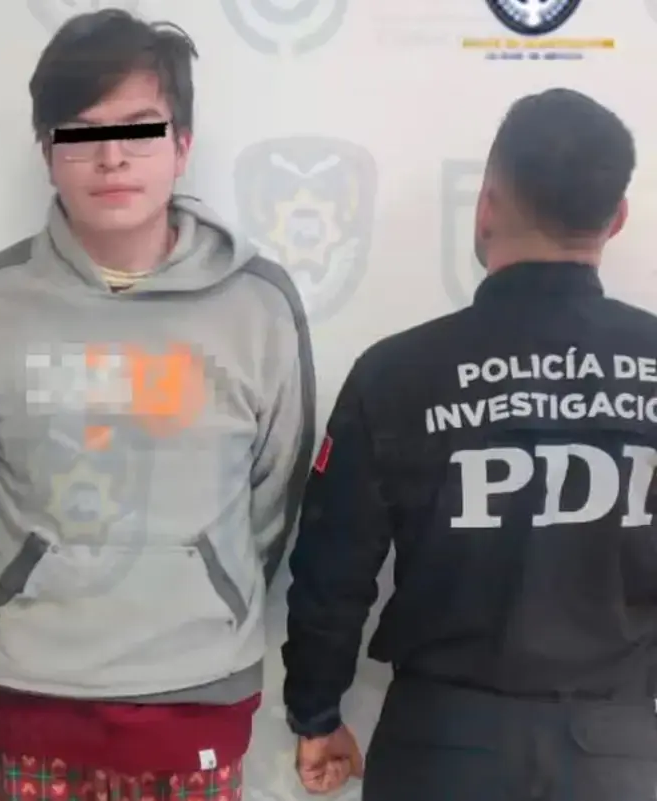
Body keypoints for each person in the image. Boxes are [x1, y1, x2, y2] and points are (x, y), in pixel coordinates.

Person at [0, 10, 315, 800]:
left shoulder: (259, 306)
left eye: (139, 128)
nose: (111, 157)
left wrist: (204, 576)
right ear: (47, 152)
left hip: (197, 683)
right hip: (32, 689)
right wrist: (36, 572)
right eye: (80, 133)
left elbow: (273, 502)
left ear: (182, 144)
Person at [281, 87, 656, 801]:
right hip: (620, 753)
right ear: (616, 220)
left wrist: (317, 711)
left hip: (442, 747)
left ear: (485, 208)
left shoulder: (397, 372)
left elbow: (333, 569)